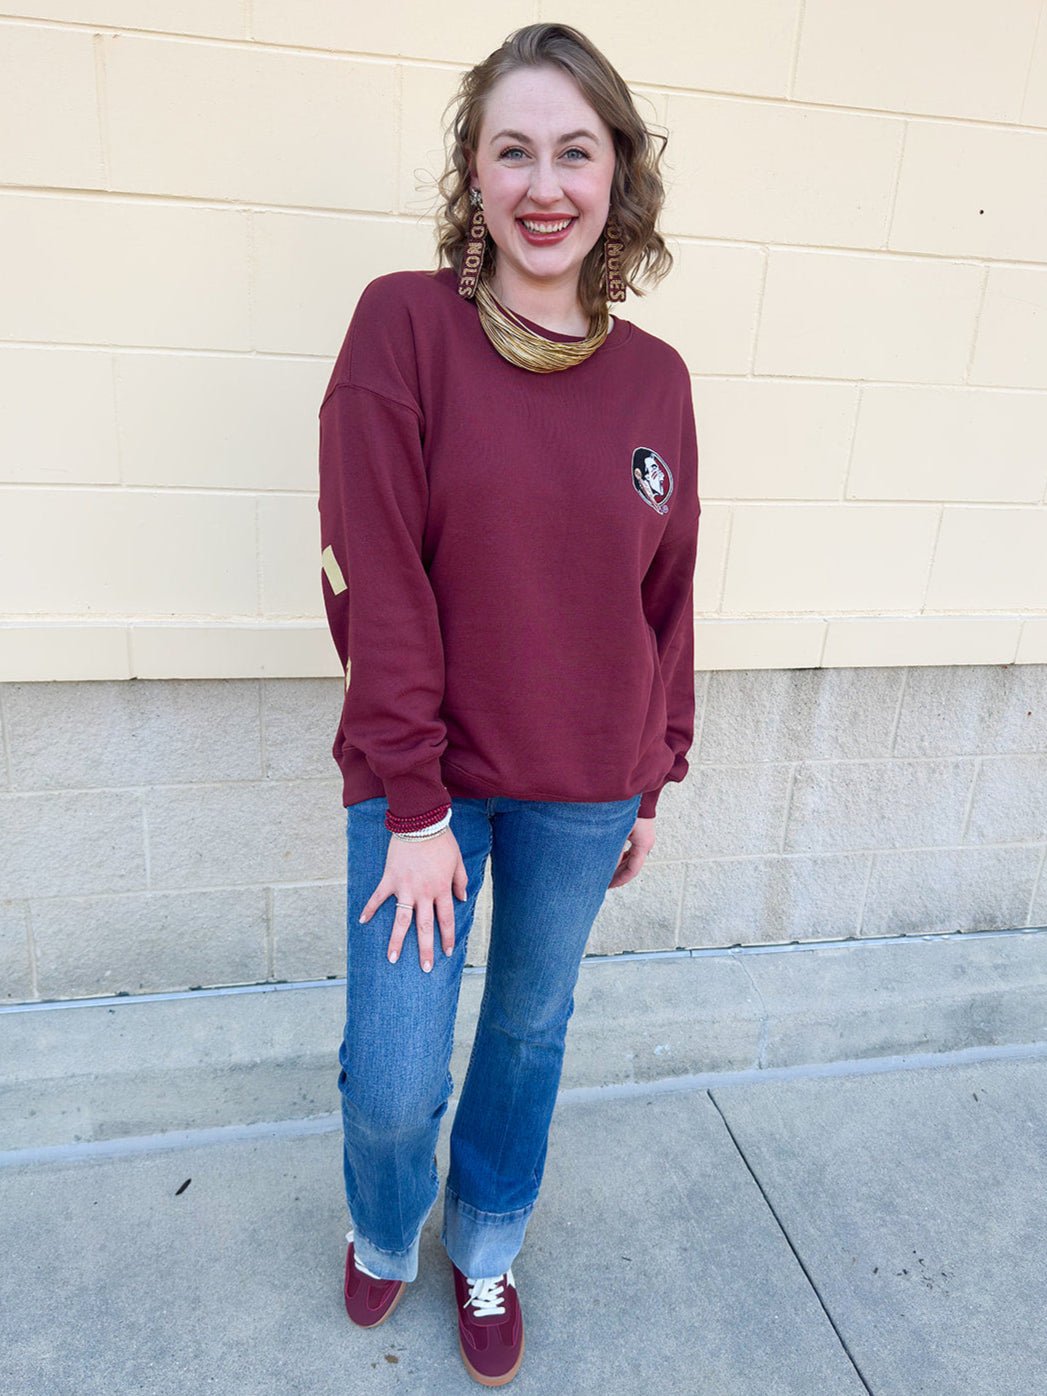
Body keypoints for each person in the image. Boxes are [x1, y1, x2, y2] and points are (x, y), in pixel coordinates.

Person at [317, 21, 700, 1387]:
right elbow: (375, 573)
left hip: (584, 787)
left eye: (575, 152)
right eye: (514, 151)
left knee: (530, 1033)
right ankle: (383, 1225)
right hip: (424, 786)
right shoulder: (403, 327)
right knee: (395, 1076)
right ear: (473, 175)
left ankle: (486, 1240)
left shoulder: (657, 379)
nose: (546, 185)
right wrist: (414, 805)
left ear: (618, 176)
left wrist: (652, 774)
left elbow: (666, 596)